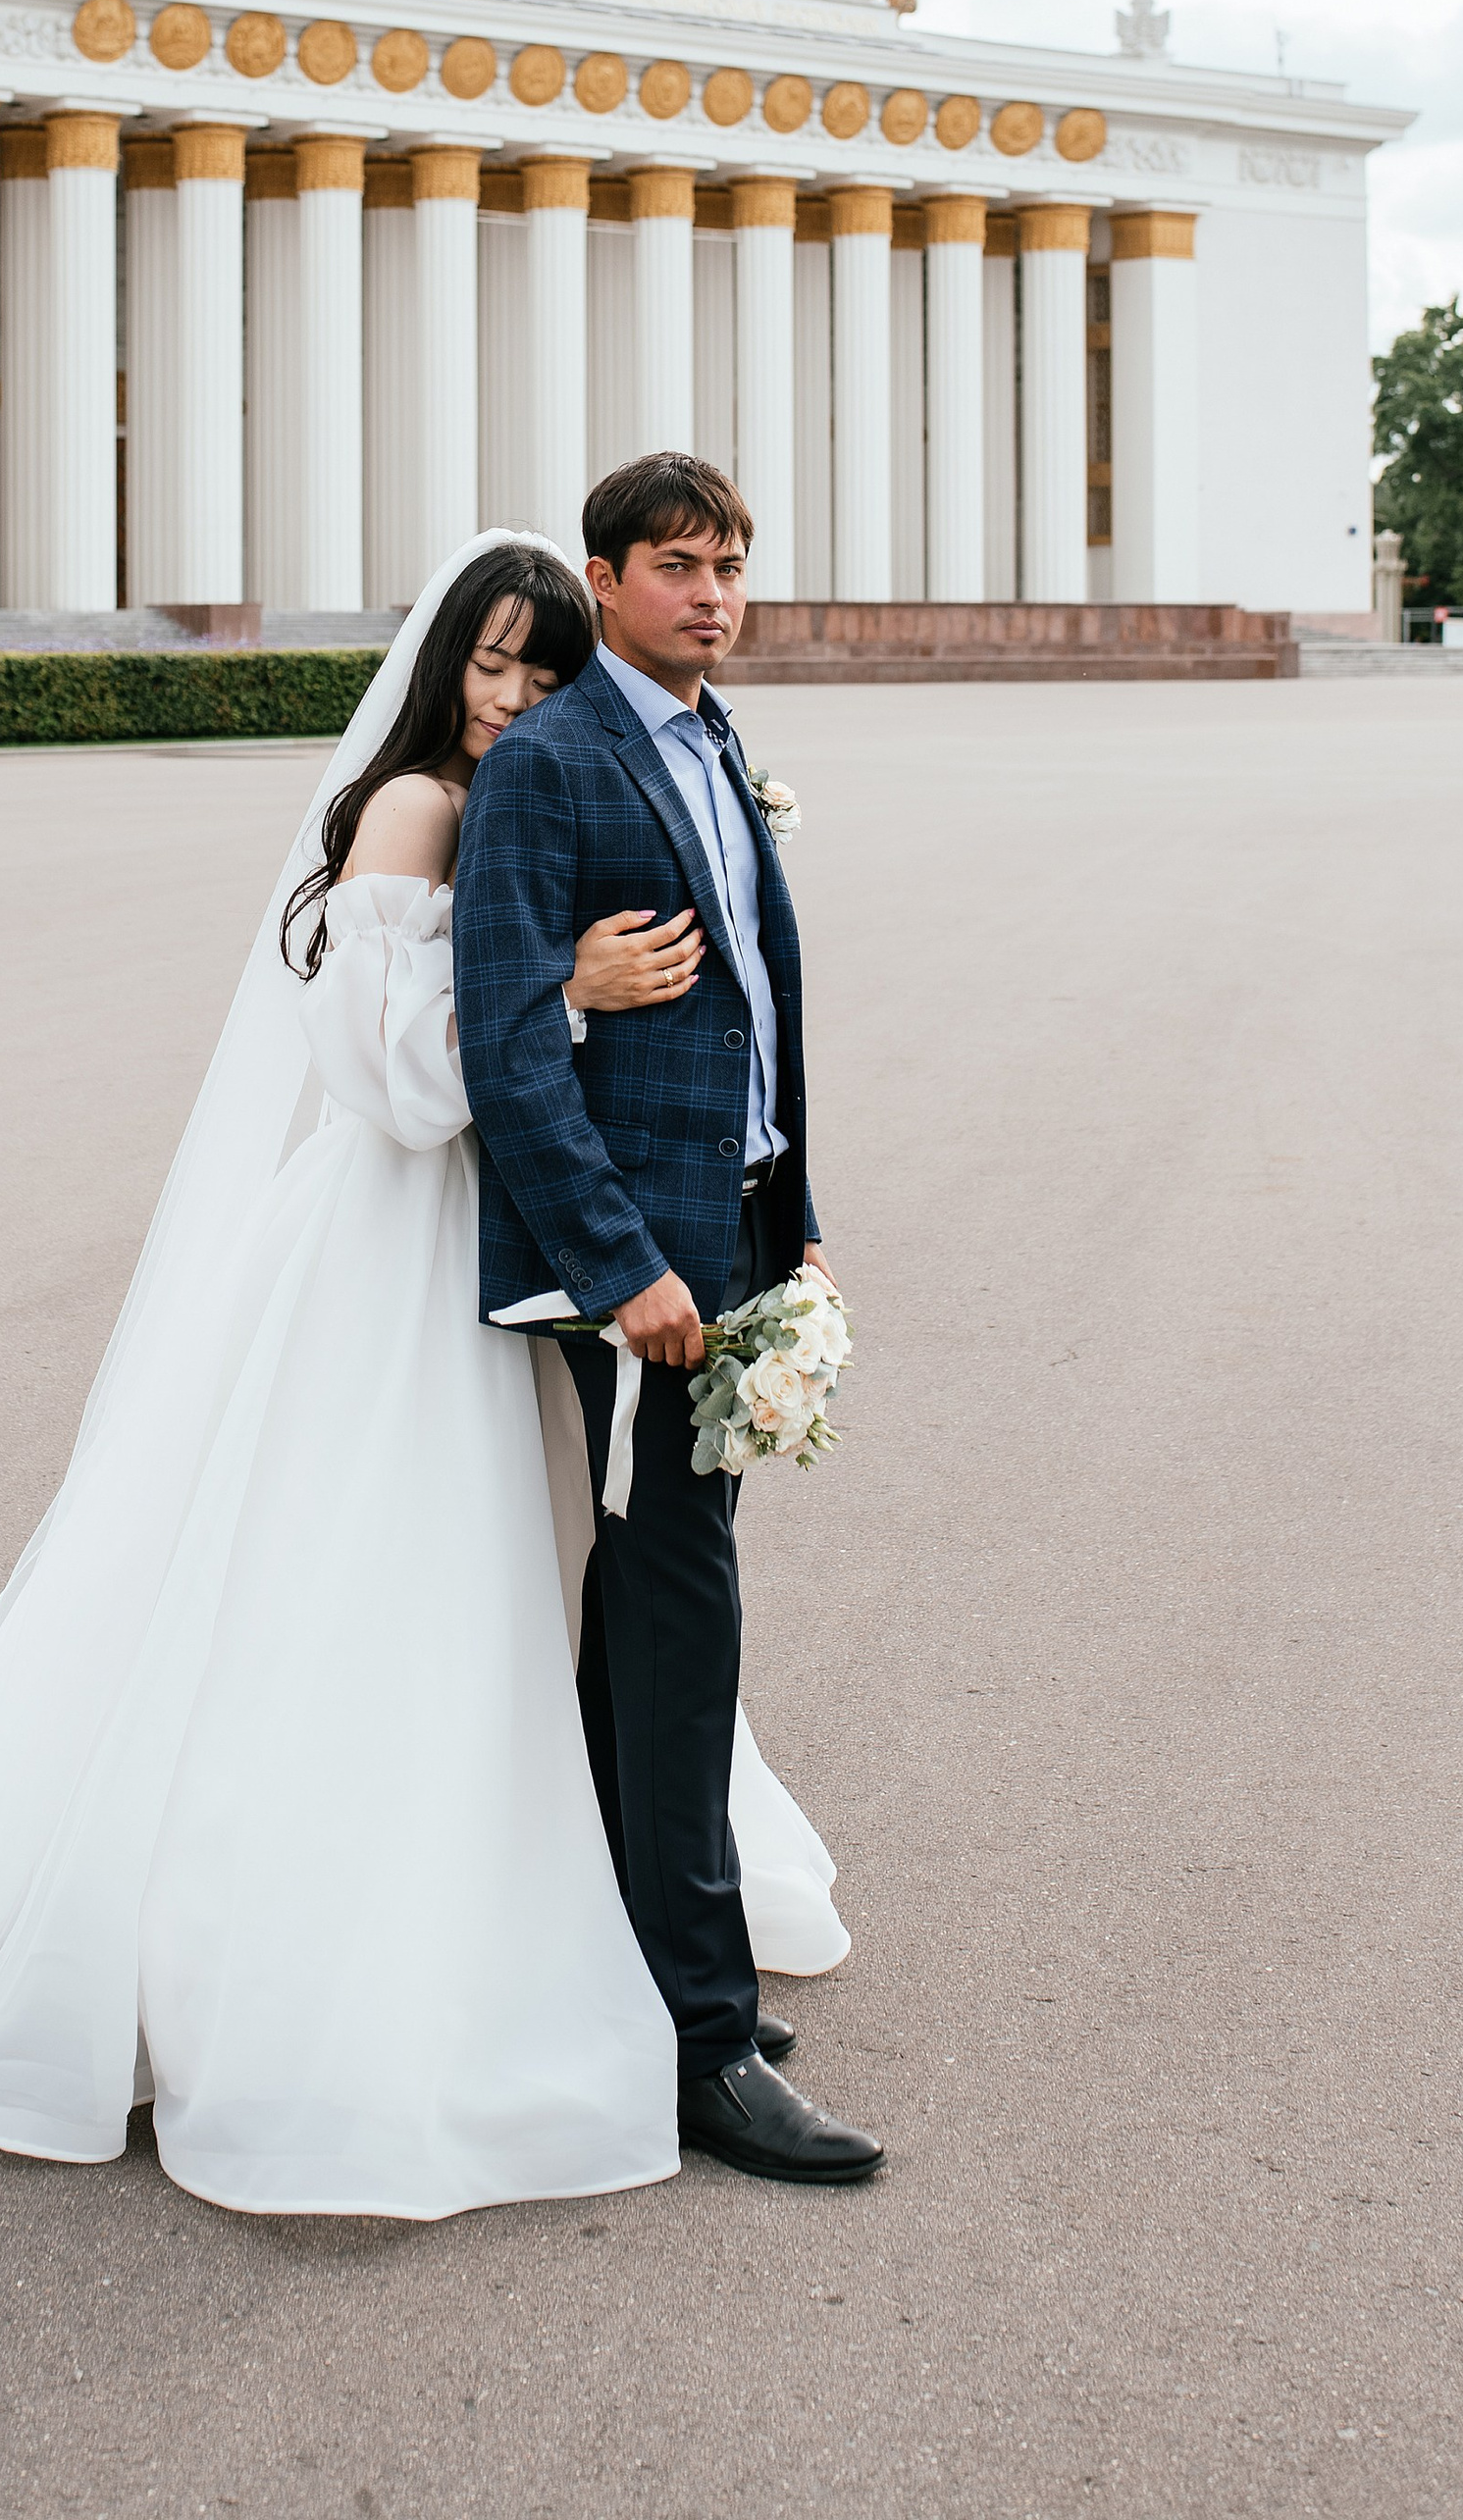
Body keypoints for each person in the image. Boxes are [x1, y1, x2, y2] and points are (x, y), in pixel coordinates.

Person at [0, 537, 845, 2221]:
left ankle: (599, 1914)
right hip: (395, 1239)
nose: (513, 699)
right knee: (383, 1582)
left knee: (540, 1576)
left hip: (507, 1246)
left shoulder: (530, 796)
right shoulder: (413, 811)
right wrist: (566, 995)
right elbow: (391, 1086)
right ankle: (351, 1944)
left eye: (542, 672)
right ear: (442, 670)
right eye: (490, 666)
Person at [455, 457, 885, 2185]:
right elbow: (505, 1043)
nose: (711, 593)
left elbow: (753, 1025)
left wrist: (800, 1236)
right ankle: (704, 2046)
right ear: (605, 577)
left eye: (729, 565)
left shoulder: (715, 741)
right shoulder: (554, 766)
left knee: (643, 1631)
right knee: (678, 1625)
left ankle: (644, 1967)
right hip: (636, 1271)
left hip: (736, 1235)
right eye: (676, 566)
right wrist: (625, 1268)